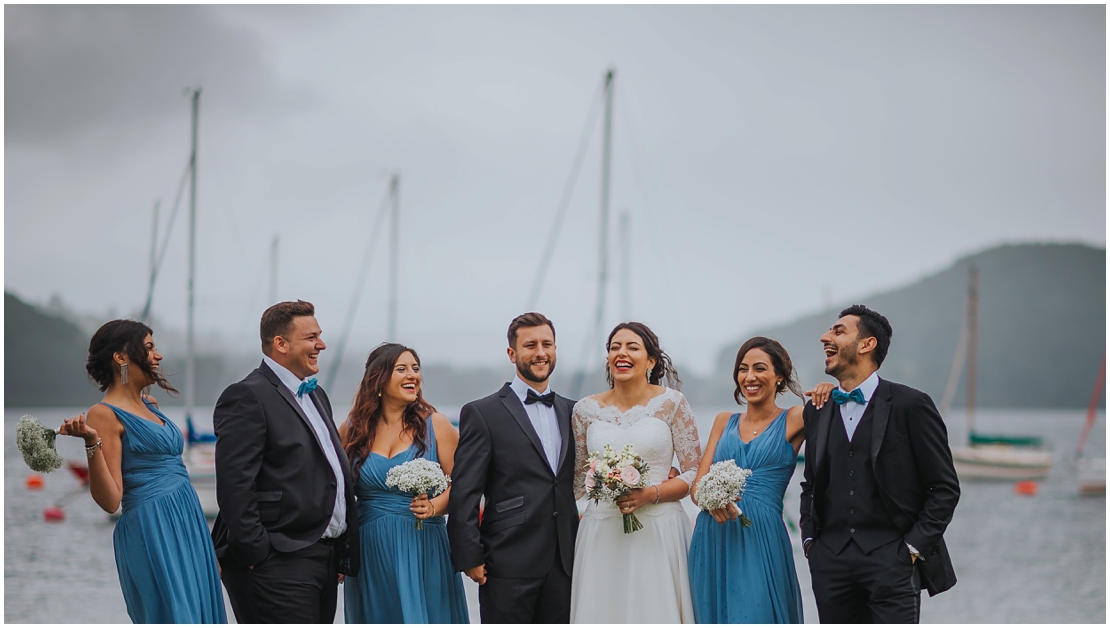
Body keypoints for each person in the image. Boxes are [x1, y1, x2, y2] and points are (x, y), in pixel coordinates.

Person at [800, 305, 961, 623]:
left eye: (838, 331)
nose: (825, 337)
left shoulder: (911, 405)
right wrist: (810, 542)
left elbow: (944, 488)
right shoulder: (816, 410)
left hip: (893, 560)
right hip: (829, 563)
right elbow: (810, 483)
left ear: (866, 344)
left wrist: (911, 549)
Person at [57, 320, 226, 623]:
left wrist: (205, 546)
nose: (157, 356)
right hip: (152, 529)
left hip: (189, 525)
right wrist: (91, 441)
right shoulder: (103, 414)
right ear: (120, 357)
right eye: (148, 348)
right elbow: (110, 501)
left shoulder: (151, 405)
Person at [210, 300, 359, 623]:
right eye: (311, 337)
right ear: (280, 343)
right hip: (278, 561)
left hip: (322, 558)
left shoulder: (316, 395)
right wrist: (258, 555)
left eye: (319, 336)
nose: (321, 344)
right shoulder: (246, 396)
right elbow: (236, 485)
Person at [687, 337, 834, 624]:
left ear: (779, 376)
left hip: (761, 535)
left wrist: (829, 390)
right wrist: (711, 499)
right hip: (712, 534)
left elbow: (840, 416)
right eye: (743, 369)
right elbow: (696, 489)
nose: (750, 377)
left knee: (758, 613)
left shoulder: (794, 418)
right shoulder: (723, 420)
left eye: (759, 368)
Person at [447, 312, 579, 623]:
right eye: (530, 345)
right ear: (512, 353)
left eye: (547, 344)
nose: (540, 353)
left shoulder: (574, 412)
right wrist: (470, 556)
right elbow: (466, 490)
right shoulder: (482, 413)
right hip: (506, 561)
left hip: (566, 562)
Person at [570, 322, 702, 624]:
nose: (621, 353)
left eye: (632, 347)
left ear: (651, 361)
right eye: (615, 347)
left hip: (659, 530)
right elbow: (576, 481)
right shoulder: (585, 410)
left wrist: (652, 493)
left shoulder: (672, 403)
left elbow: (694, 471)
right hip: (602, 530)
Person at [340, 343, 469, 623]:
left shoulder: (436, 425)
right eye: (402, 369)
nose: (413, 375)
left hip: (424, 546)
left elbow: (463, 485)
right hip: (370, 550)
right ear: (378, 379)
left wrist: (434, 506)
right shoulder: (352, 429)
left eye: (416, 369)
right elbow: (334, 491)